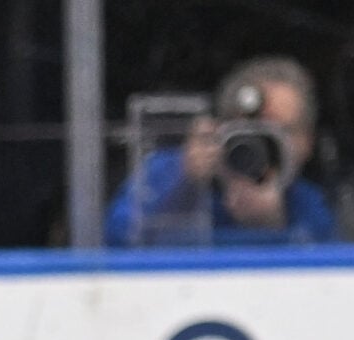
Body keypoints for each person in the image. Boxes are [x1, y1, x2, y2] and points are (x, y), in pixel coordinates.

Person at [106, 57, 337, 246]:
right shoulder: (168, 172)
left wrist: (273, 225)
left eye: (278, 132)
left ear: (307, 143)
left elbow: (333, 273)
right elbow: (116, 241)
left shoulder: (307, 204)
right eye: (247, 132)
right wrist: (184, 181)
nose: (259, 146)